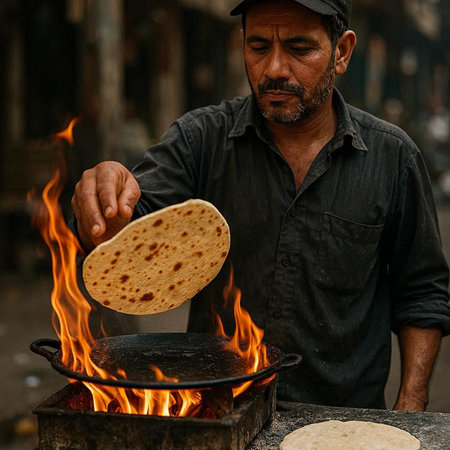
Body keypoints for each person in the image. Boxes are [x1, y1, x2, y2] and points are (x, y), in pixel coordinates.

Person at [71, 0, 450, 411]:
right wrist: (104, 205)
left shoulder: (392, 159)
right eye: (258, 47)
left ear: (341, 52)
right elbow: (128, 232)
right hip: (217, 412)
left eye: (299, 48)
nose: (273, 70)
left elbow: (422, 292)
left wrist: (411, 405)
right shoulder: (200, 140)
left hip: (341, 420)